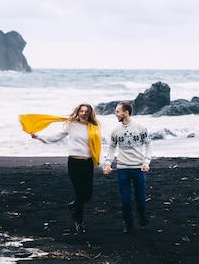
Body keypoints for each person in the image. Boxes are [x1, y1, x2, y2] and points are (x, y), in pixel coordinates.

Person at [19, 104, 102, 234]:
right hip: (74, 163)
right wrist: (39, 137)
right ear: (78, 112)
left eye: (86, 111)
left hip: (88, 163)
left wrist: (102, 163)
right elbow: (55, 137)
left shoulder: (94, 127)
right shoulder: (71, 126)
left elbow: (97, 145)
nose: (84, 113)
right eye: (81, 111)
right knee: (80, 193)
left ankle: (73, 205)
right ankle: (79, 223)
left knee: (88, 195)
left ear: (90, 113)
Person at [103, 100, 152, 234]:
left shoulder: (141, 128)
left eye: (118, 111)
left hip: (138, 169)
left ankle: (142, 216)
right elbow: (112, 148)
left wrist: (146, 162)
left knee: (140, 199)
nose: (115, 114)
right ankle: (128, 225)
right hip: (122, 169)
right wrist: (108, 164)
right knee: (125, 200)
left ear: (126, 112)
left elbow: (148, 145)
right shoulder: (115, 131)